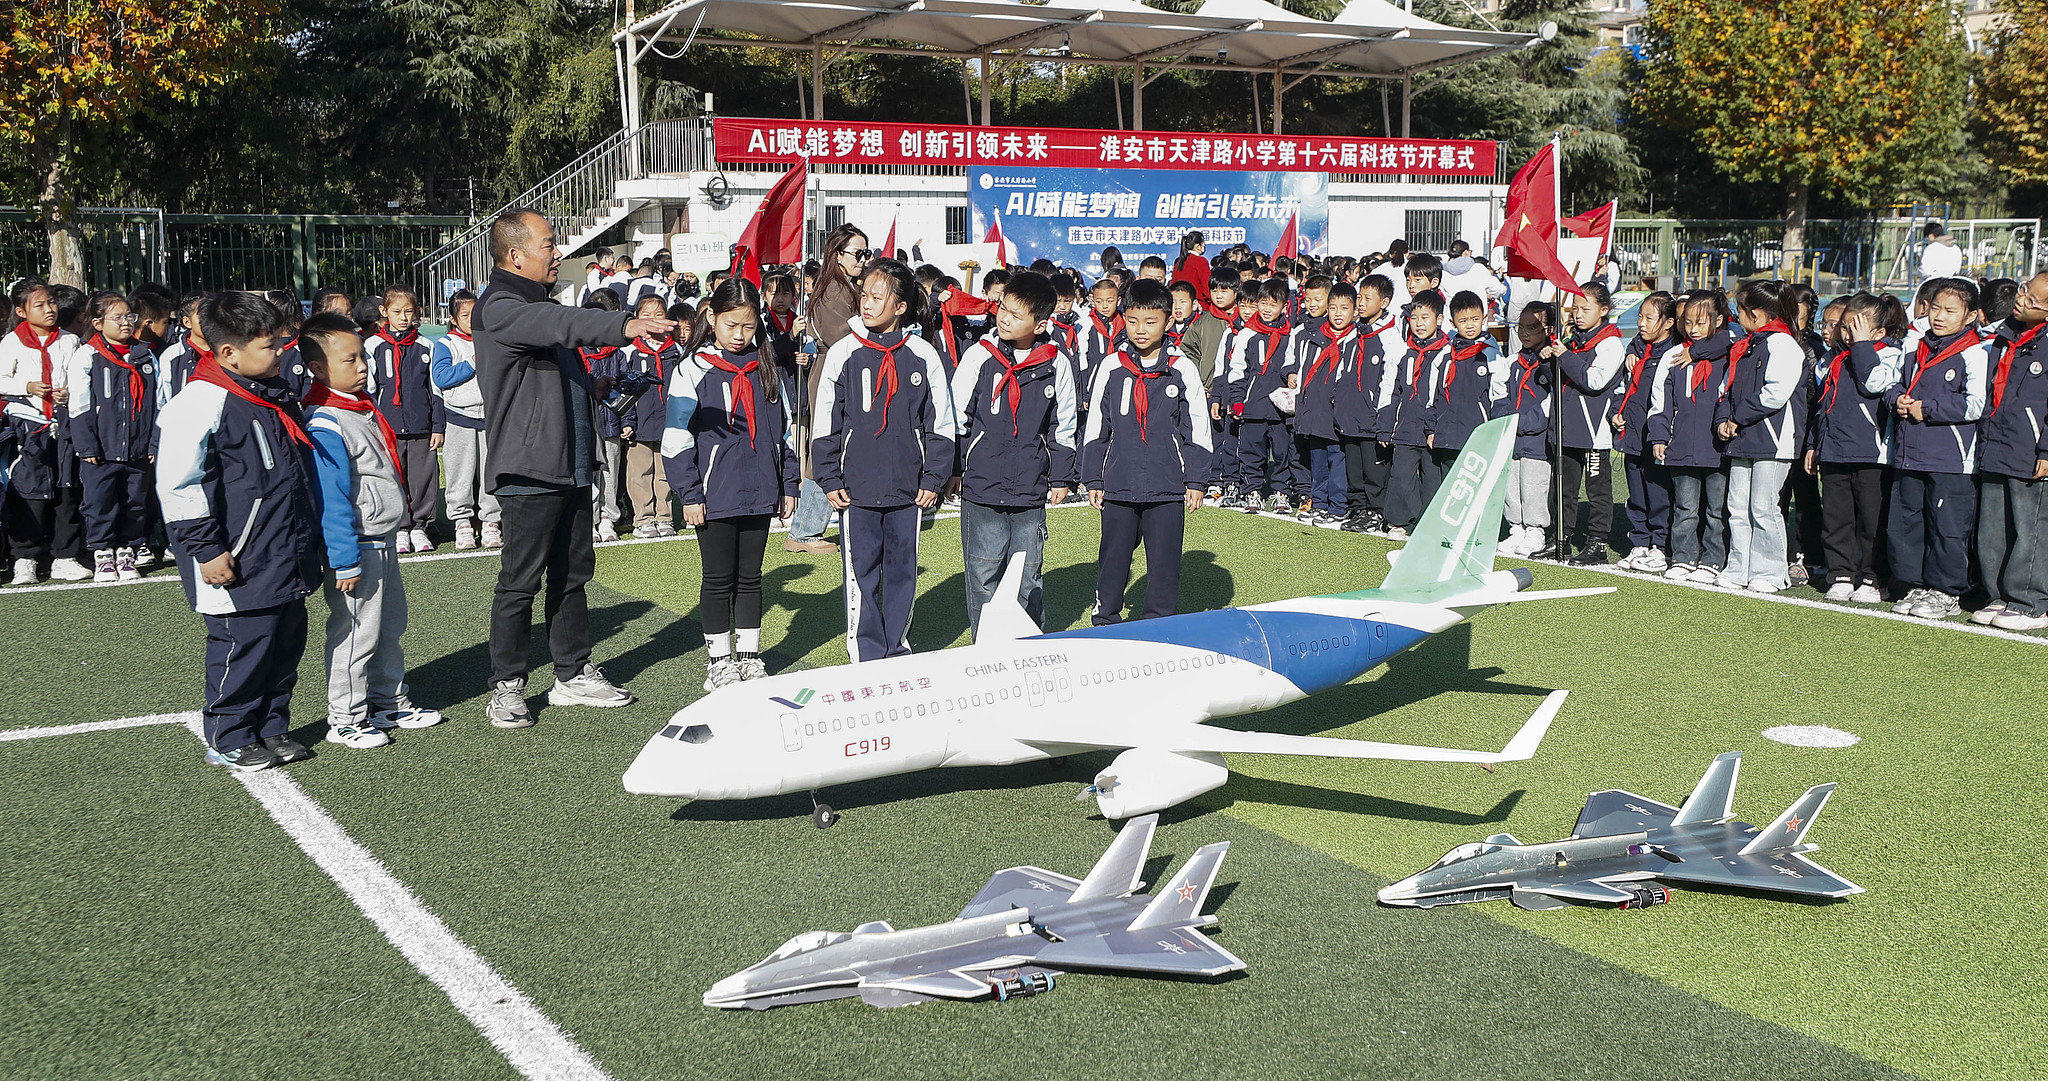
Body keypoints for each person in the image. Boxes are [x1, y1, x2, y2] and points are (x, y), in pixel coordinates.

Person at [473, 208, 675, 728]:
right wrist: (626, 324)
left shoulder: (536, 305)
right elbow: (560, 324)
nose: (557, 252)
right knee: (521, 581)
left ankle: (572, 672)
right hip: (529, 467)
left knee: (572, 574)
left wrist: (598, 390)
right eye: (548, 244)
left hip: (570, 463)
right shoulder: (501, 306)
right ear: (514, 255)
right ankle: (507, 685)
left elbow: (556, 373)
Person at [156, 291, 323, 770]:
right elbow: (178, 485)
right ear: (228, 352)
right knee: (242, 647)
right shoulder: (200, 402)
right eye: (269, 346)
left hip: (283, 550)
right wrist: (206, 550)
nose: (279, 353)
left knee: (285, 644)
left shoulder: (270, 394)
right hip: (236, 556)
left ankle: (271, 728)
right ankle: (230, 733)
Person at [300, 311, 444, 749]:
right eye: (350, 360)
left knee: (387, 626)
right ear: (319, 369)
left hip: (380, 537)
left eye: (362, 356)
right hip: (358, 545)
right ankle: (345, 715)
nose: (362, 366)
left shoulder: (359, 408)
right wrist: (342, 557)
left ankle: (389, 700)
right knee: (355, 630)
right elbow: (332, 496)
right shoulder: (326, 419)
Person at [812, 259, 956, 663]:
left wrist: (933, 477)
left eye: (878, 297)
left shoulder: (923, 355)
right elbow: (826, 419)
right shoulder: (843, 352)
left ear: (901, 307)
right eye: (865, 295)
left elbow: (941, 421)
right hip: (855, 489)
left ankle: (897, 646)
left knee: (902, 572)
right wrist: (828, 476)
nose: (867, 303)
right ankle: (866, 650)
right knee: (861, 574)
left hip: (909, 490)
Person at [663, 278, 801, 687]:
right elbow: (676, 437)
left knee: (751, 577)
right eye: (730, 326)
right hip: (713, 493)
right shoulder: (693, 369)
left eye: (748, 325)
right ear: (712, 318)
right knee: (718, 579)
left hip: (761, 490)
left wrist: (788, 484)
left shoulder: (769, 365)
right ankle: (719, 663)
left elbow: (786, 431)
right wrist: (689, 493)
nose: (740, 335)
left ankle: (749, 656)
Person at [949, 270, 1077, 637]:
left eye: (1016, 315)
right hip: (982, 485)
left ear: (1040, 324)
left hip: (1031, 488)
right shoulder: (979, 356)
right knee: (983, 573)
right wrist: (955, 468)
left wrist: (1061, 476)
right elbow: (958, 414)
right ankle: (986, 646)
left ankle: (1030, 649)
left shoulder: (1056, 364)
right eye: (1002, 308)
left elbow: (1063, 425)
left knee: (1027, 576)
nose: (1004, 318)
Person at [1081, 279, 1209, 624]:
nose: (1141, 330)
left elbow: (1196, 427)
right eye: (1133, 320)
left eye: (1151, 322)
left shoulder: (1182, 368)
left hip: (1167, 486)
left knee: (1165, 563)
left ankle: (1159, 625)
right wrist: (1093, 476)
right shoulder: (1111, 367)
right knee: (1114, 557)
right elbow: (1097, 426)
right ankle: (1105, 619)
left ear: (1168, 322)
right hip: (1119, 483)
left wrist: (1196, 480)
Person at [1884, 277, 1990, 619]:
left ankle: (1946, 591)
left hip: (1951, 459)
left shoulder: (1976, 352)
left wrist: (1926, 408)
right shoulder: (1916, 347)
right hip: (1908, 453)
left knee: (1946, 525)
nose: (1939, 316)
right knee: (1907, 523)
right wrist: (1896, 399)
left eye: (1950, 311)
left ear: (1971, 316)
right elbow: (1895, 384)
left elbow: (1976, 404)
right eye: (1934, 308)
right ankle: (1913, 585)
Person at [1808, 292, 1905, 604]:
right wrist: (1815, 444)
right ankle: (1840, 573)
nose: (1847, 335)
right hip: (1835, 450)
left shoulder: (1889, 353)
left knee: (1871, 520)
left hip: (1872, 454)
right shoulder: (1832, 359)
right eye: (1845, 328)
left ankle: (1872, 577)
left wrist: (1863, 346)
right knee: (1836, 518)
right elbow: (1822, 407)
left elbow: (1875, 383)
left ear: (1878, 332)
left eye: (1856, 329)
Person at [1713, 280, 1807, 594]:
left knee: (1764, 507)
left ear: (1755, 314)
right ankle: (1739, 567)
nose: (1736, 316)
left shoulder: (1783, 344)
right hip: (1741, 438)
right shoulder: (1746, 344)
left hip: (1772, 439)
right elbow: (1725, 388)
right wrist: (1724, 420)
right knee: (1737, 507)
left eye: (1739, 311)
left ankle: (1770, 571)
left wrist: (1737, 418)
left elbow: (1775, 394)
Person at [789, 224, 872, 556]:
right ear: (837, 254)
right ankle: (805, 529)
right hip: (834, 372)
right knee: (828, 447)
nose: (863, 260)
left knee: (832, 446)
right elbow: (843, 337)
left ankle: (808, 527)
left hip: (834, 370)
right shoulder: (835, 290)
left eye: (867, 253)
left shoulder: (840, 286)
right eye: (857, 253)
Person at [1972, 272, 2048, 629]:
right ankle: (1998, 594)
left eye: (2034, 301)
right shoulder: (2003, 337)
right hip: (1997, 442)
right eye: (2024, 291)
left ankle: (2030, 601)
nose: (2022, 301)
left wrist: (2046, 449)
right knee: (1993, 528)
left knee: (2031, 527)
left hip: (2031, 448)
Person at [1, 279, 88, 584]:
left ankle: (65, 555)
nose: (49, 309)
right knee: (31, 489)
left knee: (66, 487)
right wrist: (26, 387)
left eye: (51, 302)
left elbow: (78, 377)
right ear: (22, 311)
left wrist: (67, 393)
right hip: (28, 424)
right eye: (39, 305)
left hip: (63, 424)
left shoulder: (69, 341)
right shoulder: (11, 343)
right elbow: (1, 380)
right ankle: (25, 557)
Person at [68, 292, 157, 582]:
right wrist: (86, 444)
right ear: (97, 322)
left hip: (138, 448)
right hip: (100, 451)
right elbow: (79, 404)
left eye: (129, 316)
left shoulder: (144, 355)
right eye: (117, 318)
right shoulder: (87, 355)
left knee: (135, 502)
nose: (126, 323)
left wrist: (154, 440)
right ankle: (103, 552)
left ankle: (127, 550)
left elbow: (160, 401)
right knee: (99, 502)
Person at [1537, 282, 1626, 564]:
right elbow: (1558, 380)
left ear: (1603, 310)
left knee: (1597, 489)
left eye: (1585, 309)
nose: (1578, 314)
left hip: (1593, 431)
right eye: (1574, 308)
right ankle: (1560, 539)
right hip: (1566, 427)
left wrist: (1565, 356)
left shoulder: (1610, 343)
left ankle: (1597, 543)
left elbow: (1593, 381)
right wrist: (1546, 360)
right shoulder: (1572, 340)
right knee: (1564, 488)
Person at [1649, 293, 1734, 583]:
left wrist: (1698, 354)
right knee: (1684, 508)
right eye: (1688, 323)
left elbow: (1726, 340)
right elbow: (1661, 401)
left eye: (1701, 322)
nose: (1694, 329)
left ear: (1719, 321)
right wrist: (1659, 435)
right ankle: (1683, 557)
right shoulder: (1674, 356)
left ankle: (1712, 559)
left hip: (1716, 449)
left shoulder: (1728, 354)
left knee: (1716, 510)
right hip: (1681, 446)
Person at [366, 285, 444, 552]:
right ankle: (401, 527)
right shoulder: (373, 345)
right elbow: (370, 389)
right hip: (388, 427)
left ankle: (420, 527)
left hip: (421, 426)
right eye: (396, 311)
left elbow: (434, 389)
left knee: (423, 478)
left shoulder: (425, 345)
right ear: (383, 311)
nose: (403, 317)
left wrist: (438, 425)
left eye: (408, 311)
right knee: (394, 477)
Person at [1611, 292, 1681, 573]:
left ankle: (1660, 547)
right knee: (1636, 495)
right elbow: (1622, 388)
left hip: (1654, 438)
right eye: (1640, 316)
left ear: (1668, 323)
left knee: (1659, 495)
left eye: (1649, 318)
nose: (1641, 323)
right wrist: (1616, 413)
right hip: (1631, 435)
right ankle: (1639, 542)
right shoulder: (1637, 349)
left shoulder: (1674, 354)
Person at [430, 289, 501, 550]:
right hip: (458, 418)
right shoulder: (446, 344)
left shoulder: (491, 340)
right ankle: (462, 523)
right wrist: (471, 363)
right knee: (459, 474)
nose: (472, 320)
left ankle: (491, 522)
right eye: (465, 315)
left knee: (489, 473)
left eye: (476, 314)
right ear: (452, 318)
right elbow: (441, 377)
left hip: (490, 418)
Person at [1228, 278, 1302, 514]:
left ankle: (1281, 492)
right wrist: (1237, 400)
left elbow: (1294, 364)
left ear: (1284, 307)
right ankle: (1253, 491)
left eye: (1273, 304)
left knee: (1282, 453)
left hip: (1280, 408)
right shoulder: (1247, 333)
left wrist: (1291, 377)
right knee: (1252, 453)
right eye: (1263, 303)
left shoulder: (1290, 334)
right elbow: (1237, 369)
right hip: (1253, 406)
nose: (1267, 309)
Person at [1382, 288, 1451, 539]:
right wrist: (1386, 424)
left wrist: (1436, 428)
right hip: (1405, 427)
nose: (1419, 324)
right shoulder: (1404, 352)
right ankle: (1400, 521)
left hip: (1432, 430)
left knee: (1432, 479)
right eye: (1414, 318)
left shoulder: (1447, 353)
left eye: (1425, 317)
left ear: (1439, 320)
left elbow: (1444, 395)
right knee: (1402, 476)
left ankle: (1428, 524)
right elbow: (1394, 391)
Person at [1335, 274, 1401, 533]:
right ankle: (1358, 508)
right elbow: (1342, 370)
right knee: (1354, 468)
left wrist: (1383, 415)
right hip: (1350, 415)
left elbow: (1390, 381)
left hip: (1373, 418)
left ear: (1384, 302)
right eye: (1359, 297)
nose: (1360, 303)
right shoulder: (1354, 333)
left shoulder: (1390, 338)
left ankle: (1376, 511)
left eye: (1367, 299)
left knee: (1374, 471)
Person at [1293, 281, 1360, 525]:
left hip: (1338, 412)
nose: (1338, 314)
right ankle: (1319, 502)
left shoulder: (1355, 338)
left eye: (1344, 308)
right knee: (1318, 459)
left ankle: (1338, 505)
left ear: (1355, 310)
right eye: (1333, 308)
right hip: (1315, 409)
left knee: (1337, 459)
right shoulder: (1316, 335)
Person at [1424, 289, 1506, 480]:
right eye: (1463, 321)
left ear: (1484, 319)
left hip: (1478, 438)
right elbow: (1433, 396)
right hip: (1447, 437)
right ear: (1453, 323)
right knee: (1449, 489)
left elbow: (1499, 397)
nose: (1469, 325)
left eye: (1475, 319)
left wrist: (1494, 432)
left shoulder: (1491, 355)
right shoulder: (1444, 356)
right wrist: (1431, 429)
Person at [1499, 302, 1558, 556]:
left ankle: (1535, 530)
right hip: (1511, 436)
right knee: (1511, 484)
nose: (1524, 333)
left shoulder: (1551, 365)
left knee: (1533, 485)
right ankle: (1516, 528)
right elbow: (1499, 396)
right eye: (1520, 328)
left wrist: (1522, 422)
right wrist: (1506, 421)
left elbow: (1549, 404)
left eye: (1532, 327)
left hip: (1537, 439)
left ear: (1548, 328)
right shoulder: (1511, 363)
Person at [620, 294, 680, 538]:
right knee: (640, 473)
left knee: (665, 472)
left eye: (659, 315)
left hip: (668, 422)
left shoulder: (675, 350)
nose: (653, 320)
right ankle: (643, 518)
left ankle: (664, 516)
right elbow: (622, 390)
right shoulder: (630, 352)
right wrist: (627, 421)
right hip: (639, 423)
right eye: (646, 315)